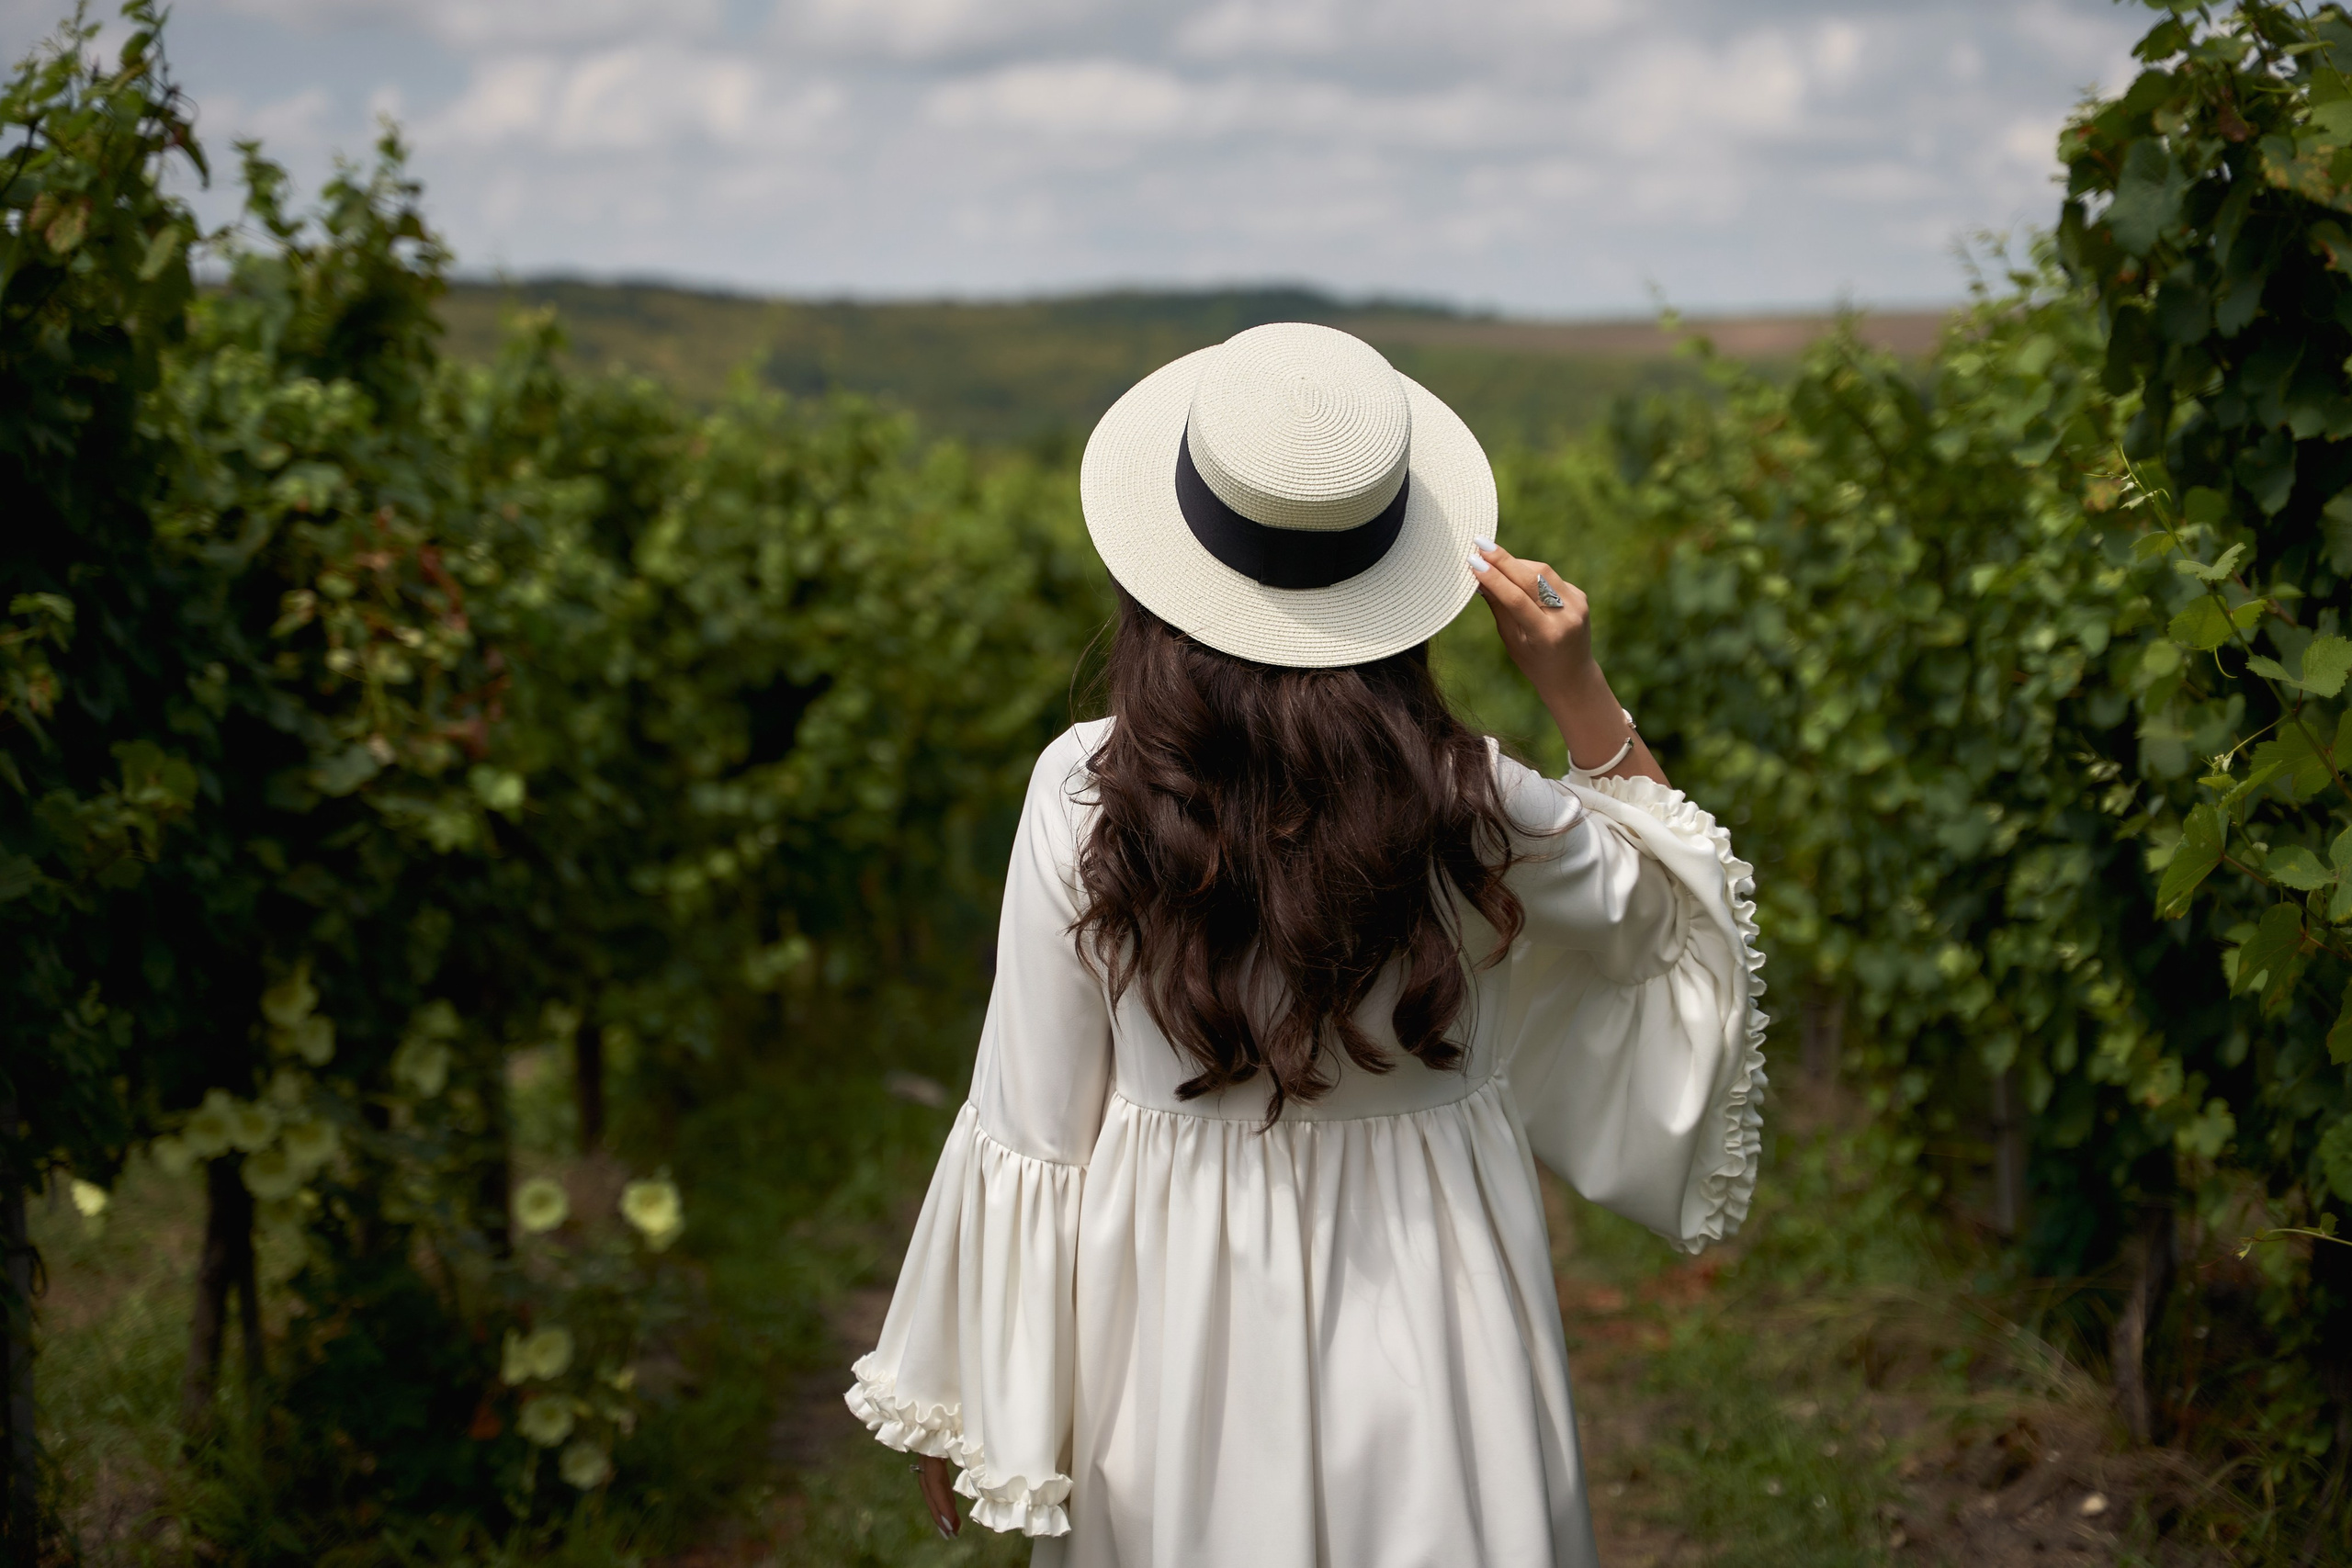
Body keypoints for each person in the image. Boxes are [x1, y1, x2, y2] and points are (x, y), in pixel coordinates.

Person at [846, 322, 1766, 1568]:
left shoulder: (1087, 791)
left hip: (1175, 1331)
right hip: (1444, 1319)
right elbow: (1671, 914)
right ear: (1398, 575)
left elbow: (1033, 1125)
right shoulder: (1477, 800)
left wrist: (971, 1390)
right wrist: (1576, 687)